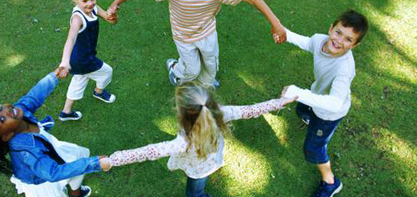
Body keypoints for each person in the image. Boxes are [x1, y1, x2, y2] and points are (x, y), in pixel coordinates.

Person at [107, 0, 286, 88]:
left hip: (207, 34)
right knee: (191, 71)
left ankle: (207, 83)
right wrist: (116, 2)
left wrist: (276, 24)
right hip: (183, 36)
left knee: (211, 67)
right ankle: (175, 68)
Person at [107, 81, 296, 197]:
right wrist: (279, 102)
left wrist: (112, 160)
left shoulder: (183, 142)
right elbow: (250, 110)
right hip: (213, 162)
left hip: (196, 171)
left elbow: (148, 152)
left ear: (181, 114)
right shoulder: (222, 113)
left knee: (194, 191)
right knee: (199, 188)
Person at [0, 68, 111, 197]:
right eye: (1, 119)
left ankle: (76, 193)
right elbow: (53, 173)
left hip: (50, 151)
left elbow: (34, 96)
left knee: (78, 155)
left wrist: (53, 77)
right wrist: (95, 164)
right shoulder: (26, 151)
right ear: (6, 135)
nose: (6, 111)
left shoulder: (19, 111)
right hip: (43, 183)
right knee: (75, 167)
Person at [282, 10, 369, 197]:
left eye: (348, 39)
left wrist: (298, 93)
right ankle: (308, 117)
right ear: (331, 28)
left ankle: (330, 183)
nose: (339, 41)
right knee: (302, 109)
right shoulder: (320, 40)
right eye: (338, 32)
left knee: (314, 148)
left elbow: (335, 104)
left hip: (328, 114)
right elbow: (307, 43)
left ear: (355, 45)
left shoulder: (344, 69)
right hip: (316, 94)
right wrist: (285, 34)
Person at [58, 0, 117, 121]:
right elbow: (70, 39)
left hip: (78, 58)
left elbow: (111, 21)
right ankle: (98, 91)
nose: (90, 3)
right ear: (75, 0)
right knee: (107, 72)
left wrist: (112, 16)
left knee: (79, 80)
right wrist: (65, 62)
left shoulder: (94, 8)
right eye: (84, 1)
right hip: (83, 59)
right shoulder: (78, 18)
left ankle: (66, 112)